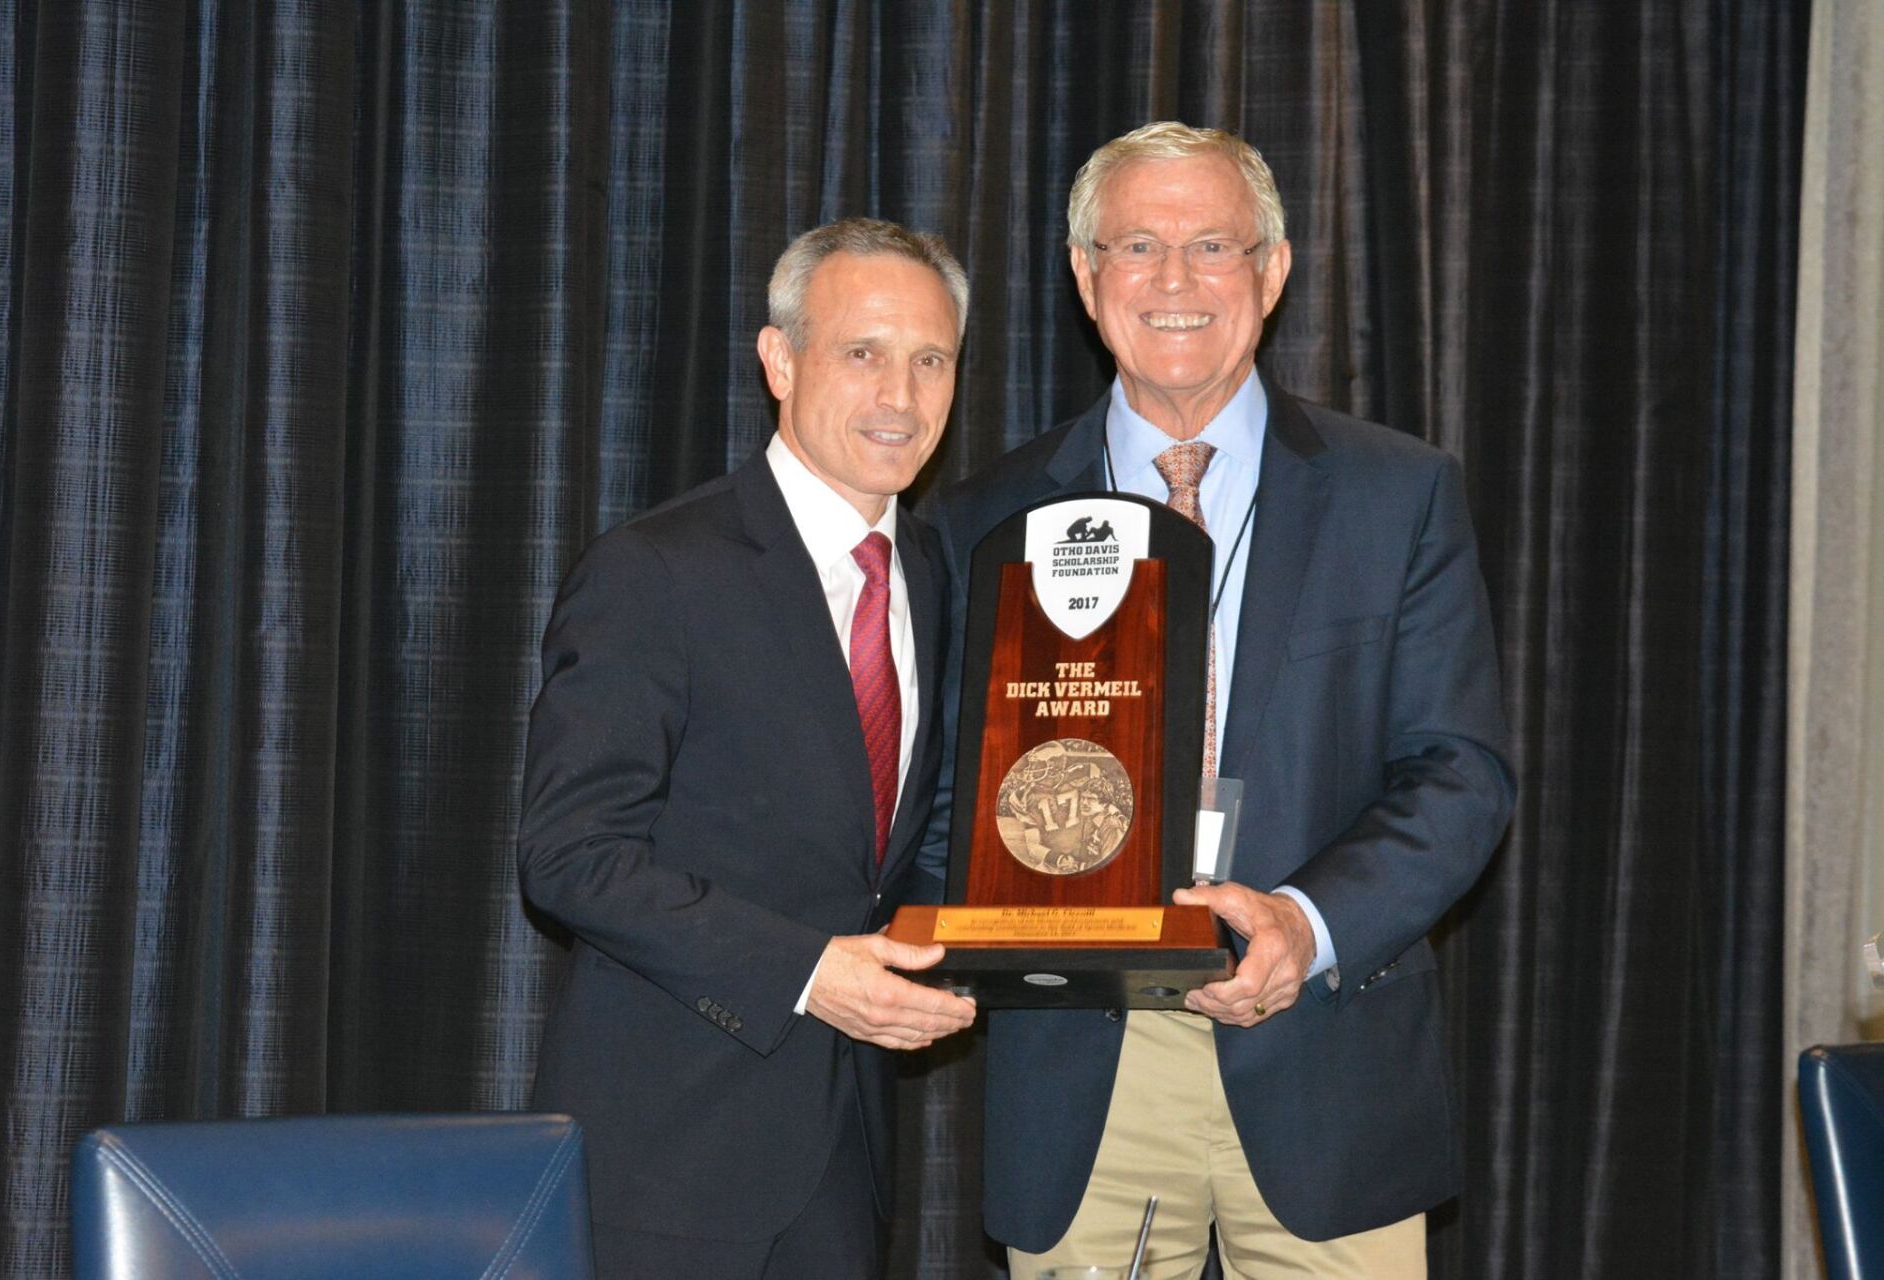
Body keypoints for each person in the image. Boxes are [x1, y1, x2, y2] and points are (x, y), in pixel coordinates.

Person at [927, 122, 1516, 1278]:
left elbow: (1462, 772)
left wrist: (1306, 920)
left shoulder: (1399, 495)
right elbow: (949, 795)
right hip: (1080, 1072)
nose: (1176, 281)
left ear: (1275, 270)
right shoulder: (982, 518)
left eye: (1213, 245)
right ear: (1086, 277)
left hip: (1323, 1049)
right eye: (1137, 244)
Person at [518, 217, 978, 1280]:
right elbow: (570, 853)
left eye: (930, 358)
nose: (899, 396)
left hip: (846, 1163)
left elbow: (912, 842)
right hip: (666, 1170)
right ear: (779, 360)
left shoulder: (939, 574)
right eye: (862, 351)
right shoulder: (656, 571)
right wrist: (809, 972)